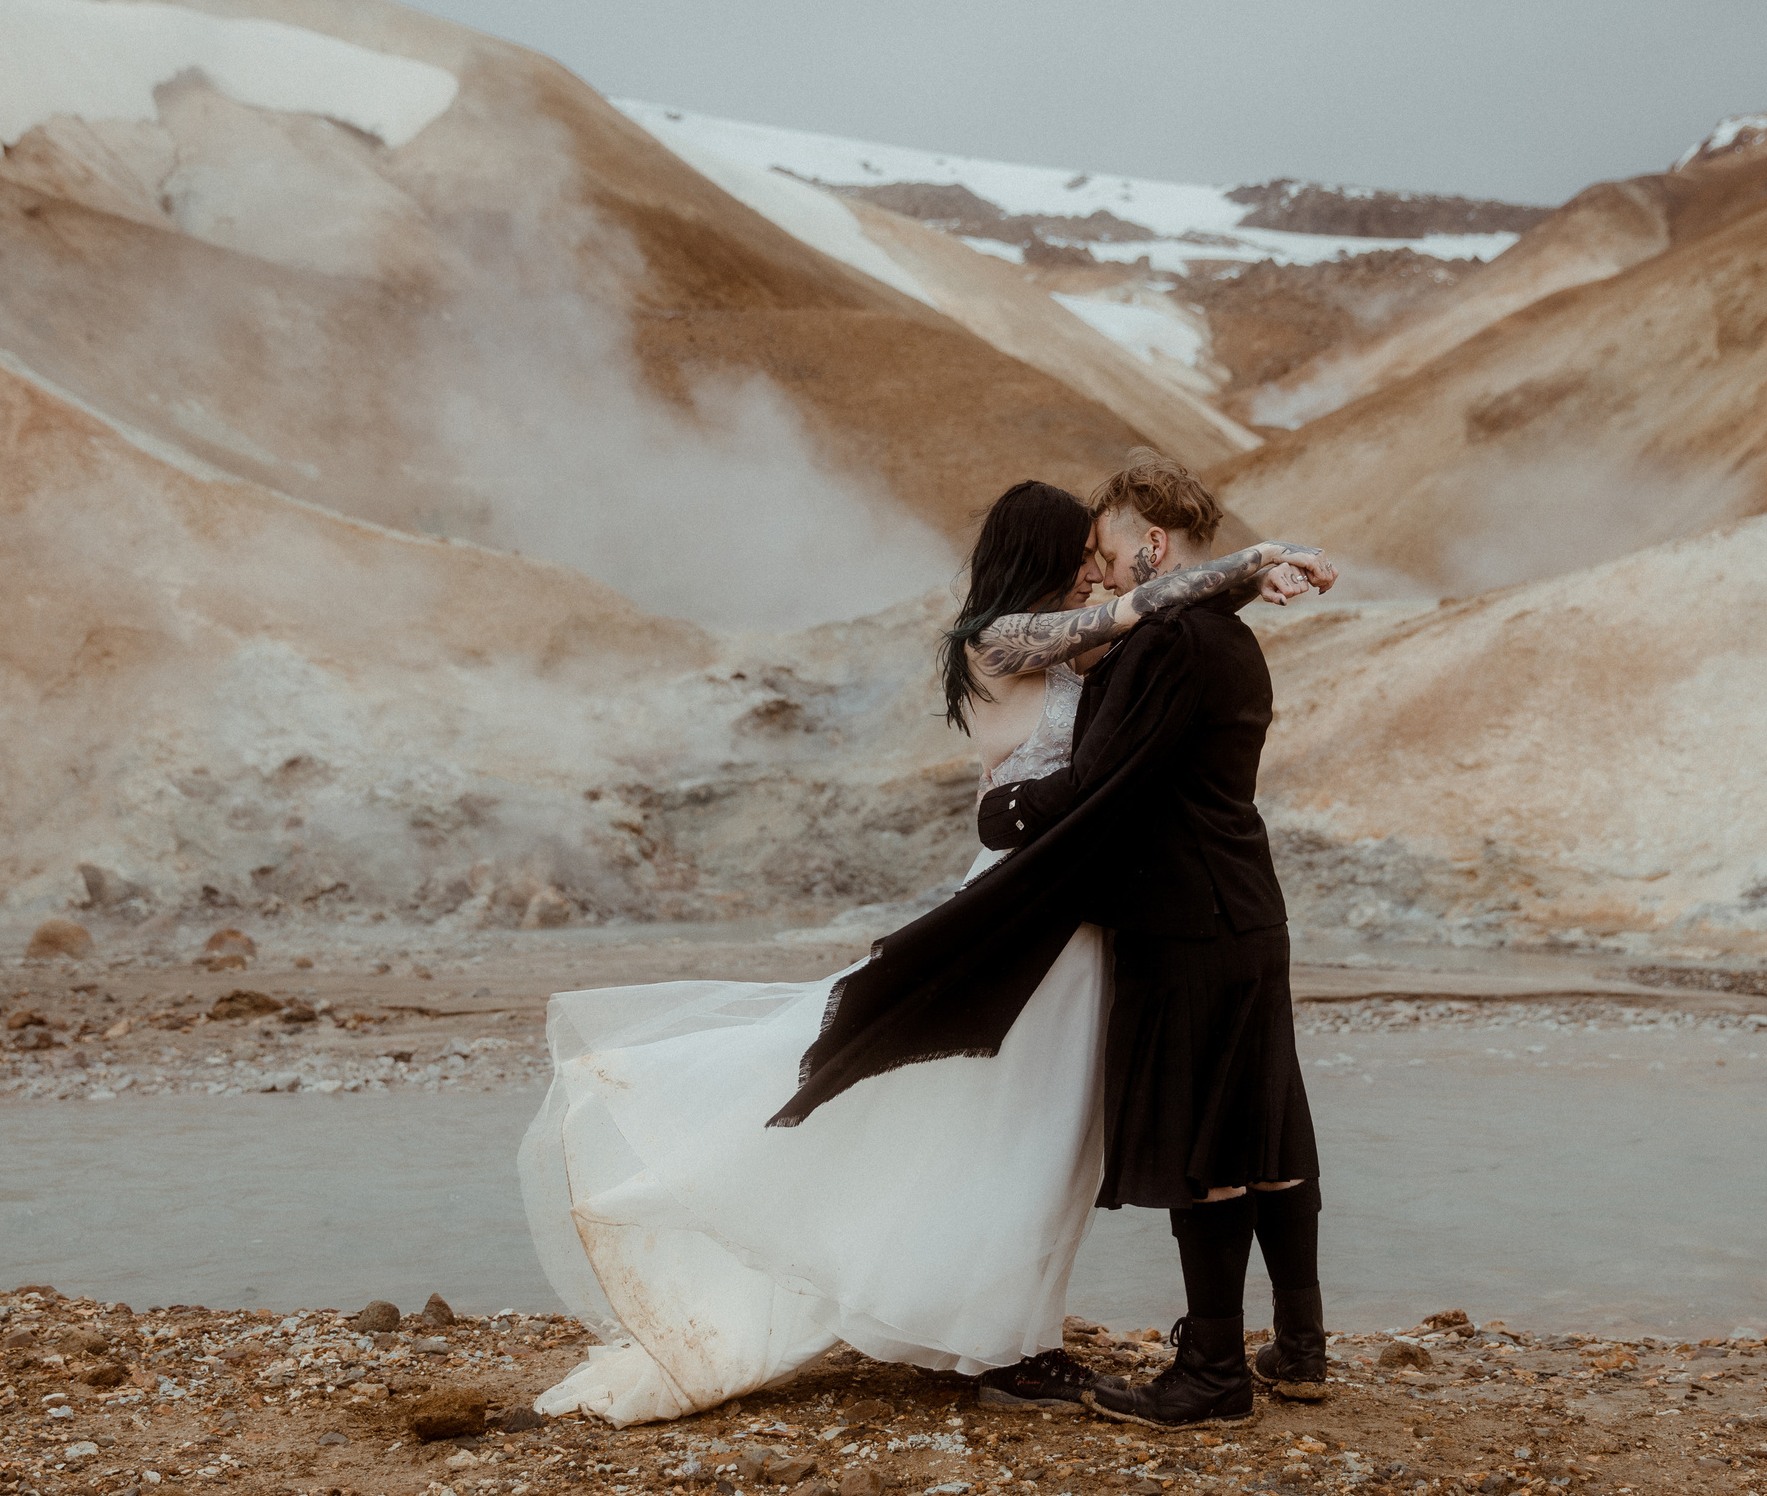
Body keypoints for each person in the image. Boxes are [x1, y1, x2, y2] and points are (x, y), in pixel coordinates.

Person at [519, 474, 1329, 1425]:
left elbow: (1165, 629)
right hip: (1036, 891)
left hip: (1083, 895)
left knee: (1046, 1124)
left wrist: (1247, 577)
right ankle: (1001, 1334)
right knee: (1006, 1115)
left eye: (1101, 554)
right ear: (1043, 555)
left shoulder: (1119, 634)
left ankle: (1009, 1325)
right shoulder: (1002, 637)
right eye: (1080, 556)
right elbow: (1147, 619)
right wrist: (1256, 560)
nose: (1094, 572)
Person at [974, 451, 1331, 1427]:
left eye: (1104, 548)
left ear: (1153, 545)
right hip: (1247, 905)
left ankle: (1211, 1370)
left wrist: (1004, 815)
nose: (1095, 568)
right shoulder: (1226, 635)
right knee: (1265, 1127)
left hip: (1183, 916)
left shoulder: (1166, 640)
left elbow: (1103, 778)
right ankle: (1300, 1347)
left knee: (1204, 1140)